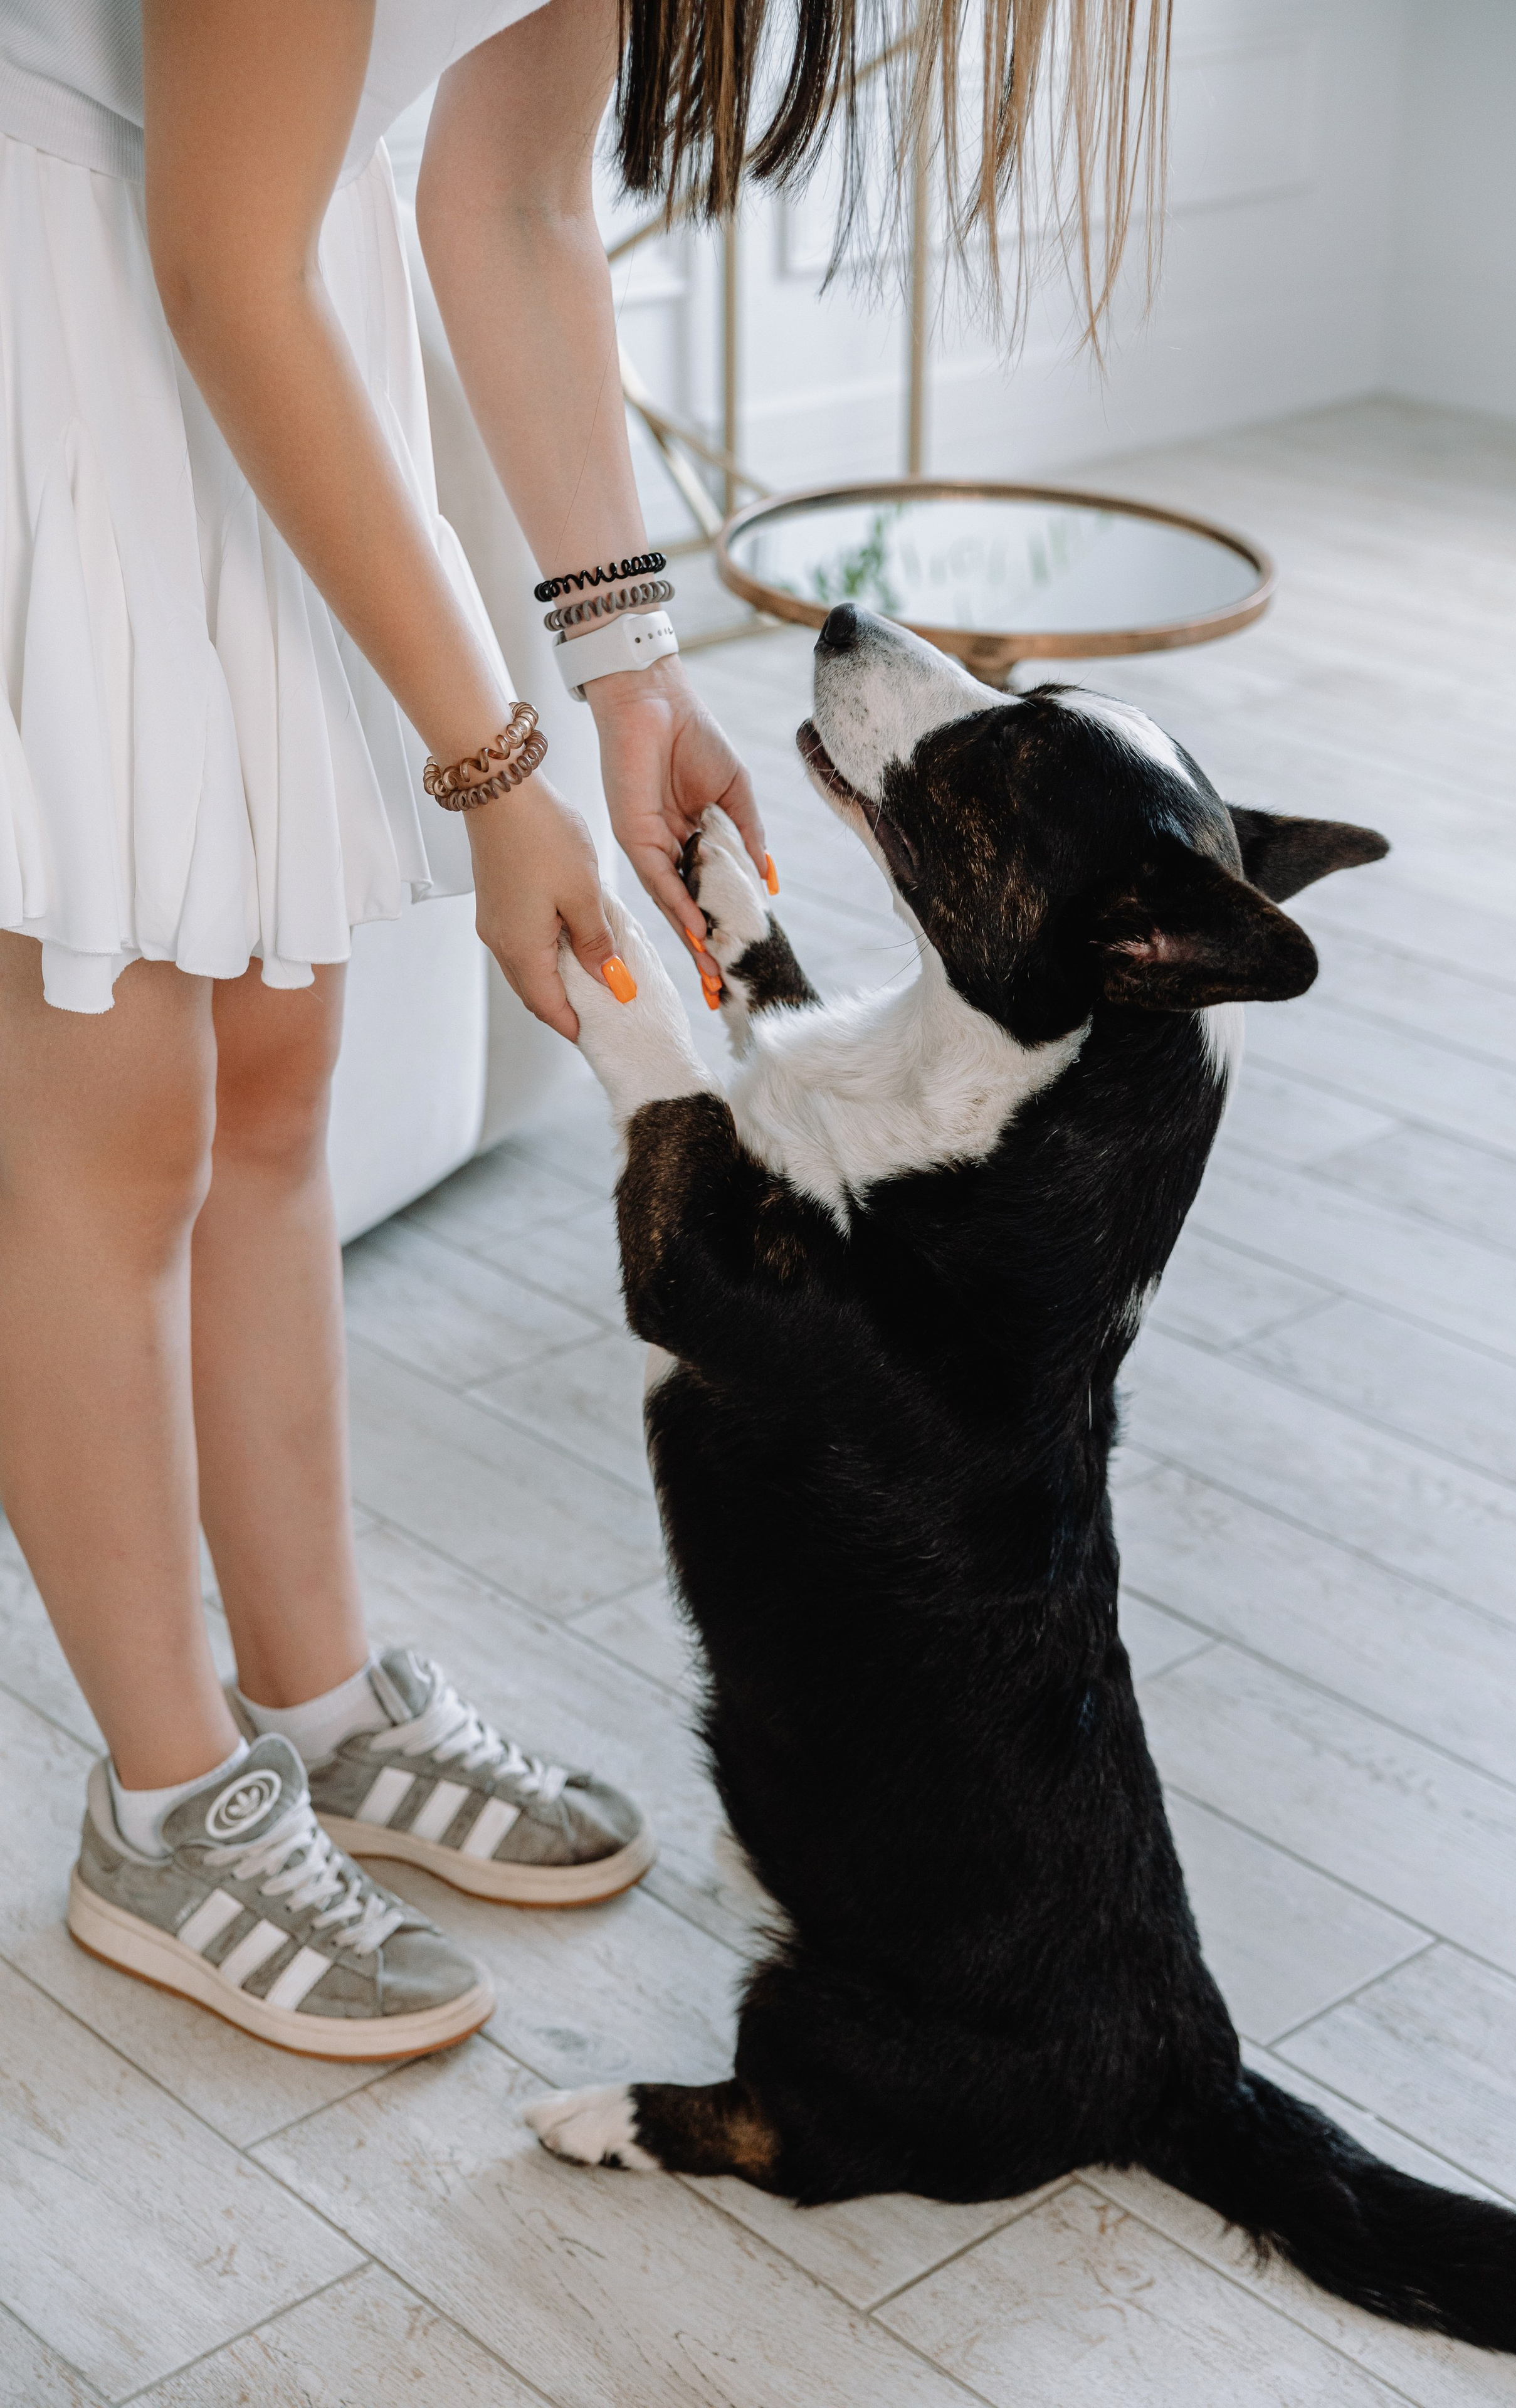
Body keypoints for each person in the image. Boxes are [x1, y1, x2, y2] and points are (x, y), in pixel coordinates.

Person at [0, 0, 1169, 2055]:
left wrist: (628, 677)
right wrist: (493, 772)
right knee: (106, 1131)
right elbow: (214, 260)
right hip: (78, 303)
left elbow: (517, 197)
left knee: (276, 1090)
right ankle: (166, 1808)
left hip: (273, 315)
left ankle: (317, 1699)